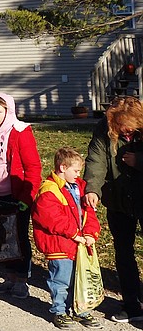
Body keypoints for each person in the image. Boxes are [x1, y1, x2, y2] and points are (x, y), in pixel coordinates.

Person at [0, 93, 41, 299]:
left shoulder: (21, 132)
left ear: (8, 111)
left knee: (18, 238)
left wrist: (26, 198)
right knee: (1, 239)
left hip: (16, 195)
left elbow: (33, 167)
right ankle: (9, 277)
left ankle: (21, 280)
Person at [83, 96, 143, 323]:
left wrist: (139, 160)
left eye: (128, 127)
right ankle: (131, 304)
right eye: (119, 126)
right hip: (118, 199)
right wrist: (92, 189)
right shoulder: (104, 129)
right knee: (124, 253)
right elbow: (96, 160)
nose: (123, 131)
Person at [32, 147, 102, 329]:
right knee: (61, 280)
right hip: (59, 245)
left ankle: (80, 310)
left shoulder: (79, 187)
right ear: (63, 167)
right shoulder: (49, 190)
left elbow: (89, 214)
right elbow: (52, 219)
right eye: (76, 171)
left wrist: (90, 233)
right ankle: (59, 311)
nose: (79, 175)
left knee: (80, 279)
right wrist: (75, 234)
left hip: (78, 243)